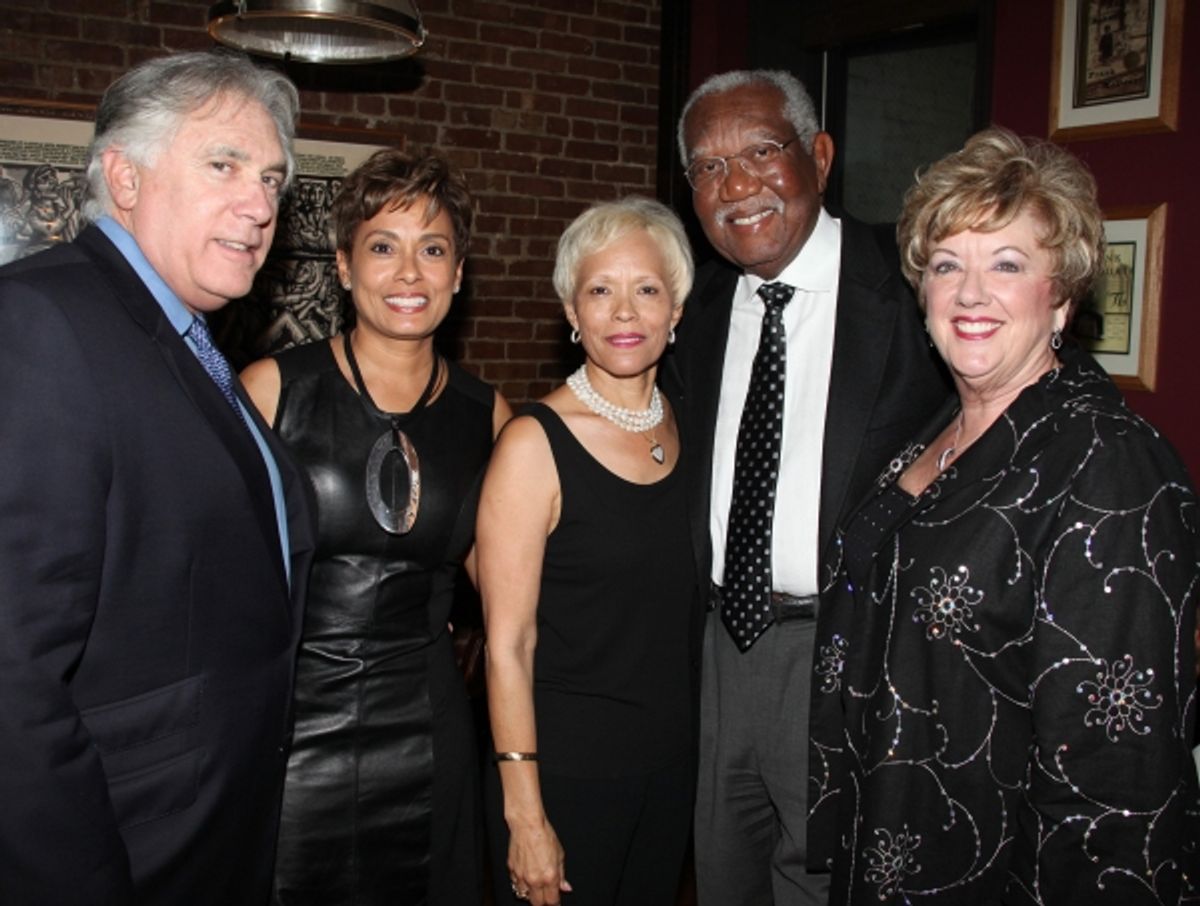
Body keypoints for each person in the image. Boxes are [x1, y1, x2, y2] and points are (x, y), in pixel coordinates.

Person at [808, 127, 1200, 903]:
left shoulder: (1107, 462)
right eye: (947, 265)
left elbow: (1115, 772)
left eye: (1009, 265)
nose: (971, 293)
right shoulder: (938, 433)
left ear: (1062, 296)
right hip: (893, 844)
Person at [0, 51, 314, 903]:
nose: (259, 206)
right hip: (120, 849)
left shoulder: (191, 341)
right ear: (124, 178)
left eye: (273, 181)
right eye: (224, 165)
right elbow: (13, 676)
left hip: (207, 834)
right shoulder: (41, 321)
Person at [664, 69, 951, 904]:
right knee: (724, 879)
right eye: (708, 169)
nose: (736, 186)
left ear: (819, 157)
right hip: (719, 649)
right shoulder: (694, 311)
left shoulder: (911, 288)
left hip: (852, 649)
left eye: (760, 150)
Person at [240, 148, 511, 905]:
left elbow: (513, 596)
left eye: (433, 250)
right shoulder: (271, 391)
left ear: (459, 273)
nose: (409, 274)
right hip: (290, 729)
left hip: (428, 731)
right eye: (383, 248)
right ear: (345, 267)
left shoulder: (489, 418)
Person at [478, 197, 698, 906]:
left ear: (677, 309)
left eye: (647, 290)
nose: (625, 313)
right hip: (568, 778)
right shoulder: (532, 444)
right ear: (572, 313)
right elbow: (507, 643)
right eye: (600, 291)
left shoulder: (690, 424)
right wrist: (525, 814)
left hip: (673, 772)